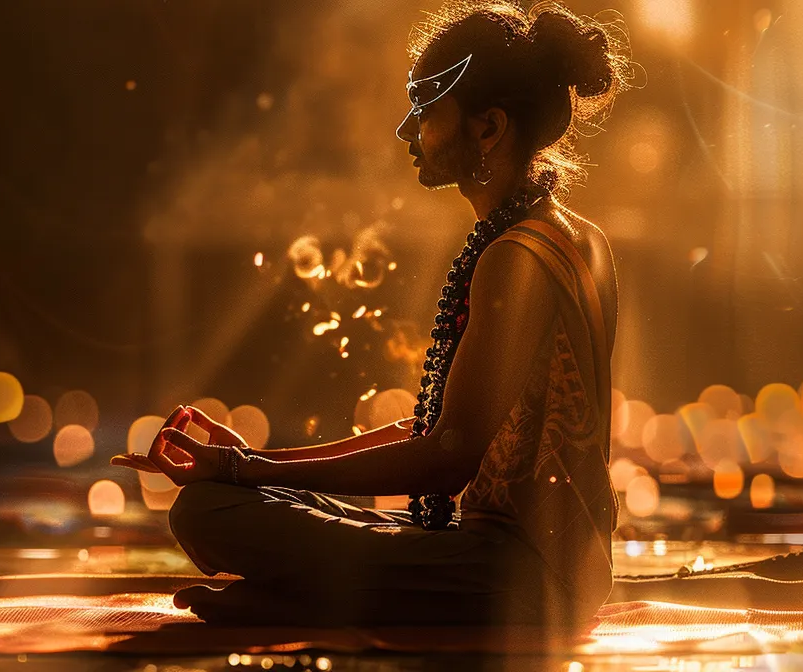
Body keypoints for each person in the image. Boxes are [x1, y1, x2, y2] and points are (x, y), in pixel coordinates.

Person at [111, 0, 632, 635]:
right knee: (236, 499)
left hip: (512, 579)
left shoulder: (515, 258)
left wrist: (248, 472)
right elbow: (445, 428)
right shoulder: (584, 239)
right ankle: (311, 598)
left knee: (205, 515)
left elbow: (447, 457)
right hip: (527, 566)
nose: (406, 131)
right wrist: (260, 464)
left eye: (425, 110)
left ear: (488, 127)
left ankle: (301, 605)